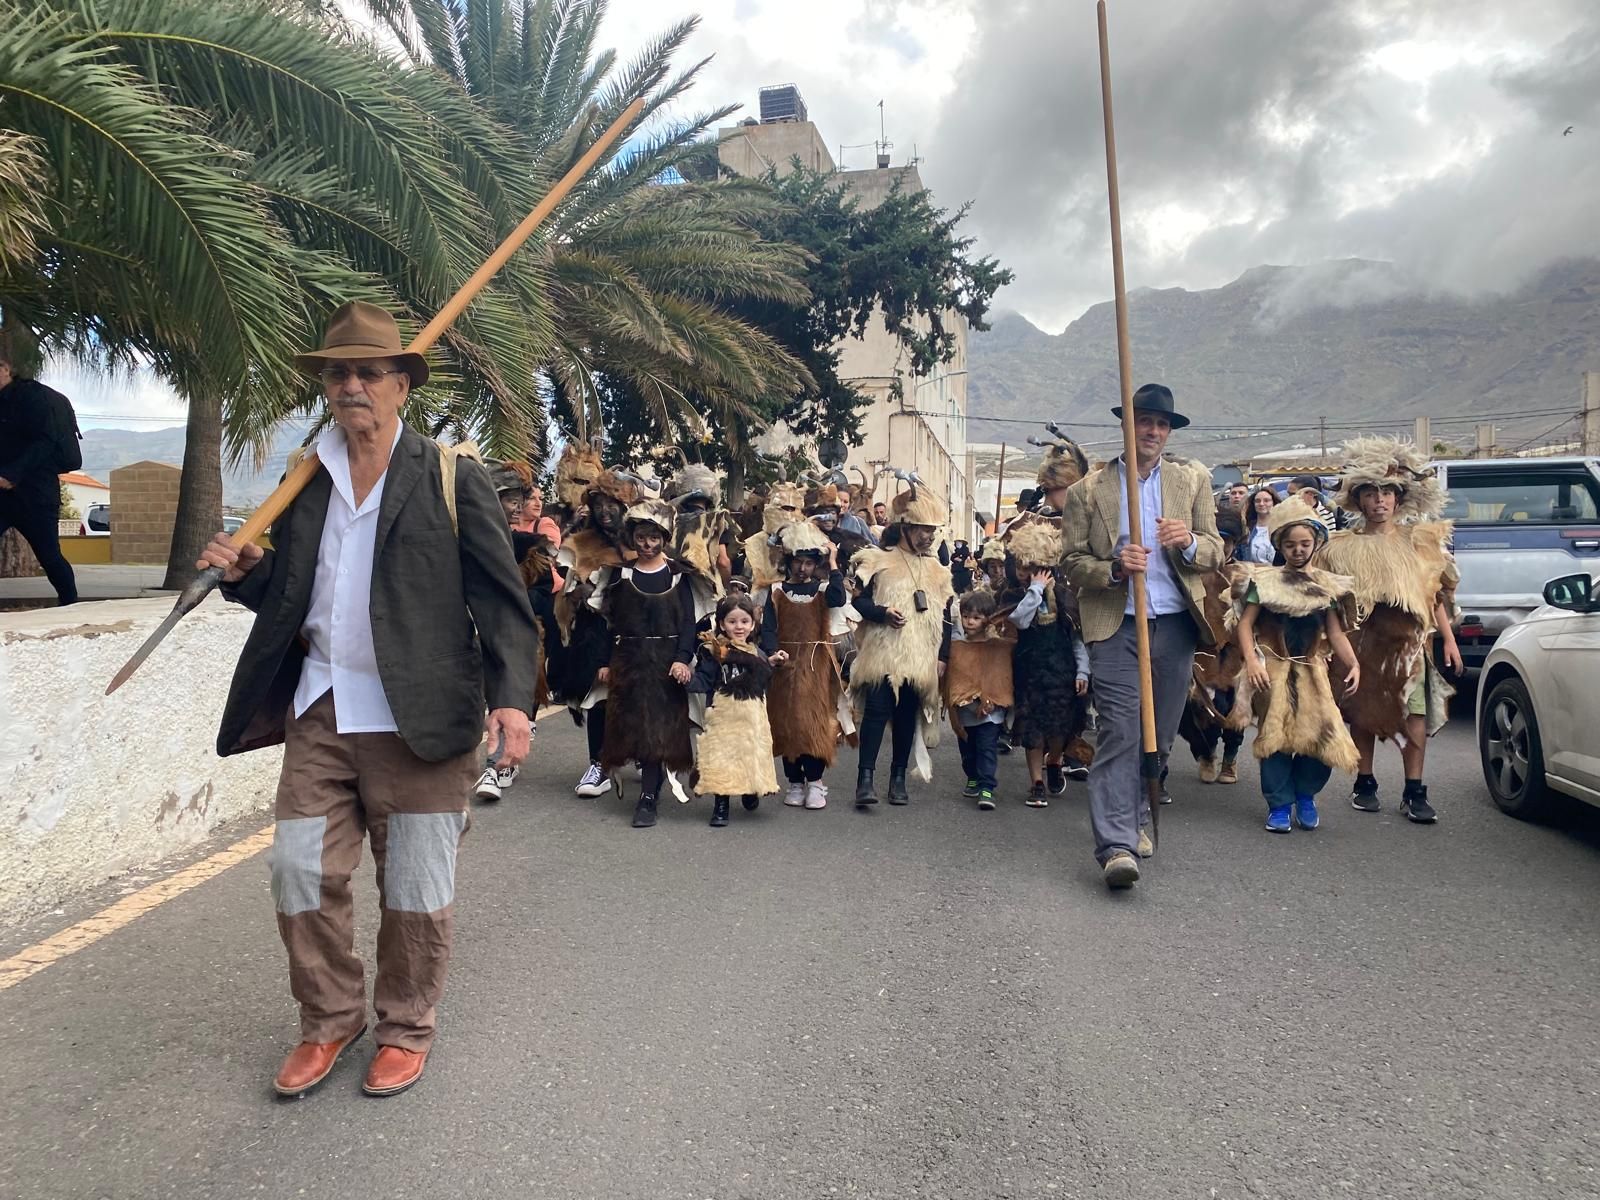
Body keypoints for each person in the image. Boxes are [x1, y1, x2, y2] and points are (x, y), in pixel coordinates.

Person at [198, 301, 537, 1098]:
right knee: (298, 870)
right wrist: (247, 576)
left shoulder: (451, 476)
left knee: (416, 887)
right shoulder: (303, 479)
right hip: (322, 710)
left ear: (399, 387)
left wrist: (514, 700)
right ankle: (329, 1018)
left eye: (368, 372)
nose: (351, 385)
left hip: (422, 720)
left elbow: (500, 601)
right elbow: (291, 597)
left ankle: (405, 1027)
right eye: (338, 372)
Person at [1061, 383, 1223, 889]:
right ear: (1126, 426)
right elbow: (1070, 562)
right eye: (1144, 421)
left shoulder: (1191, 482)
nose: (1152, 431)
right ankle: (1116, 846)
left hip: (1175, 625)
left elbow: (1218, 550)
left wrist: (1191, 542)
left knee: (1161, 733)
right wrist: (1111, 569)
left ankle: (1134, 810)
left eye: (1161, 423)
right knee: (1120, 730)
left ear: (1168, 431)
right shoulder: (1089, 490)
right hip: (1115, 626)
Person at [1316, 437, 1461, 822]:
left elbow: (1436, 594)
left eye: (1387, 493)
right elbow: (1325, 600)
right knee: (1362, 712)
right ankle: (1365, 781)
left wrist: (1447, 639)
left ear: (1399, 499)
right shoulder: (1337, 548)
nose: (1379, 501)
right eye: (1370, 493)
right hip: (1360, 645)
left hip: (1410, 647)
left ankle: (1414, 790)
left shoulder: (1421, 542)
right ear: (1358, 500)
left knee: (1414, 716)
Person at [1229, 497, 1362, 832]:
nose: (1298, 550)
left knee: (1321, 734)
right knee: (1275, 736)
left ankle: (1306, 796)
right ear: (1280, 546)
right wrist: (1252, 661)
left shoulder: (1327, 587)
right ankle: (1278, 804)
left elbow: (1335, 631)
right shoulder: (1265, 582)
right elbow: (1246, 625)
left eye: (1305, 543)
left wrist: (1353, 663)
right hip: (1273, 669)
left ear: (1316, 543)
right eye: (1290, 545)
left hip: (1313, 669)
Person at [850, 481, 955, 808]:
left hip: (921, 656)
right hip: (883, 653)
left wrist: (943, 656)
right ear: (904, 528)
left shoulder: (939, 570)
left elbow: (947, 616)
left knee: (907, 715)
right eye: (921, 529)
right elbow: (859, 603)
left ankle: (897, 778)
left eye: (931, 530)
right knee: (877, 714)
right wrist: (882, 613)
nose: (928, 536)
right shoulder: (878, 560)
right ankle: (864, 779)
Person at [594, 498, 698, 828]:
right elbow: (607, 623)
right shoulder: (619, 574)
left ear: (664, 538)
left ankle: (648, 798)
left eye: (654, 537)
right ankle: (647, 780)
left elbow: (688, 623)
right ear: (632, 537)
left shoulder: (678, 575)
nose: (647, 544)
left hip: (667, 665)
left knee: (658, 731)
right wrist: (606, 661)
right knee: (635, 729)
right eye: (641, 537)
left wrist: (683, 659)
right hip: (630, 662)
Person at [549, 464, 640, 798]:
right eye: (599, 504)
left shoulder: (643, 540)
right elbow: (569, 585)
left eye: (611, 505)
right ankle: (598, 764)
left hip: (637, 631)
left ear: (624, 507)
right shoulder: (582, 543)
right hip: (596, 633)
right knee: (599, 695)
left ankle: (642, 752)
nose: (604, 511)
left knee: (638, 695)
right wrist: (579, 595)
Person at [473, 460, 554, 802]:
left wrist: (516, 603)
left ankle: (497, 766)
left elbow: (545, 591)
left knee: (511, 699)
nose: (518, 506)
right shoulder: (469, 542)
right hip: (472, 635)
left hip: (518, 635)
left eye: (521, 499)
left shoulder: (531, 545)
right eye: (510, 498)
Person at [763, 521, 849, 809]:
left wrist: (833, 563)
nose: (802, 568)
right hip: (785, 665)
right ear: (789, 562)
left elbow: (840, 598)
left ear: (816, 565)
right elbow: (768, 628)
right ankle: (794, 782)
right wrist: (772, 651)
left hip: (816, 665)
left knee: (813, 722)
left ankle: (815, 782)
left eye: (809, 563)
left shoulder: (824, 589)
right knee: (787, 722)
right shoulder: (776, 589)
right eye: (798, 562)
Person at [1007, 522, 1091, 807]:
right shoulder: (1019, 595)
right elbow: (1019, 620)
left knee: (1060, 731)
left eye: (1039, 569)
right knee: (1033, 731)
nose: (1033, 574)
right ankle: (1037, 783)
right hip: (1030, 673)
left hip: (1063, 673)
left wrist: (1082, 671)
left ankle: (1054, 761)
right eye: (1030, 569)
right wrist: (1035, 590)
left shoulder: (1068, 597)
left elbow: (1078, 639)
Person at [689, 593, 786, 826]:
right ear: (722, 624)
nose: (739, 627)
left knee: (749, 753)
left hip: (752, 715)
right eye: (732, 622)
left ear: (753, 624)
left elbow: (765, 678)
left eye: (744, 621)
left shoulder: (758, 652)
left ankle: (750, 788)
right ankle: (721, 804)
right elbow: (703, 679)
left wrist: (772, 663)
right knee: (722, 758)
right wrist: (685, 681)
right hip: (722, 715)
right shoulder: (714, 651)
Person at [0, 344, 78, 605]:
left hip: (35, 494)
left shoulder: (32, 397)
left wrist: (12, 475)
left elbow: (45, 441)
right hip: (2, 496)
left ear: (5, 369)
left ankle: (69, 604)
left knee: (49, 555)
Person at [1180, 506, 1247, 786]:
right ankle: (1205, 752)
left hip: (1236, 653)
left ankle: (1230, 757)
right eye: (1217, 539)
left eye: (1228, 540)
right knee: (1194, 712)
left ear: (1236, 542)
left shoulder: (1245, 574)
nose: (1222, 546)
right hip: (1198, 653)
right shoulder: (1190, 573)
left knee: (1234, 709)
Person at [944, 588, 1016, 810]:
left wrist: (991, 698)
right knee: (968, 749)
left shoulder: (996, 647)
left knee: (986, 748)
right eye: (966, 616)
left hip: (990, 713)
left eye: (976, 617)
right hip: (964, 713)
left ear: (988, 619)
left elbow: (999, 676)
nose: (969, 622)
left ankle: (987, 786)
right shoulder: (957, 646)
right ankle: (972, 777)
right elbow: (954, 678)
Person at [1235, 487, 1280, 563]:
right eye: (1257, 501)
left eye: (1266, 500)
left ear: (1274, 503)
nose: (1261, 504)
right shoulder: (1246, 528)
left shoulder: (1281, 527)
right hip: (1252, 572)